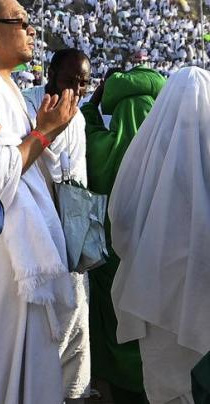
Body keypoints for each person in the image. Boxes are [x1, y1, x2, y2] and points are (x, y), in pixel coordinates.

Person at [0, 0, 81, 403]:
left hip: (22, 246)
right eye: (20, 22)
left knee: (33, 368)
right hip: (0, 251)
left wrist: (47, 131)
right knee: (0, 367)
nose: (31, 30)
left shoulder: (2, 84)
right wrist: (45, 133)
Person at [109, 67, 210, 404]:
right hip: (203, 298)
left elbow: (120, 223)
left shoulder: (146, 155)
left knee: (167, 390)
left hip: (153, 296)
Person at [83, 65, 165, 403]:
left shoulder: (99, 146)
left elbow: (83, 123)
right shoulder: (172, 151)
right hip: (158, 266)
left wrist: (95, 100)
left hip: (112, 261)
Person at [23, 48, 94, 402]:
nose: (77, 91)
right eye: (70, 81)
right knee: (39, 326)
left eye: (84, 83)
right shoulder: (25, 106)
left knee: (75, 322)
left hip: (71, 231)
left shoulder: (78, 118)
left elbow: (76, 176)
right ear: (50, 73)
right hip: (34, 229)